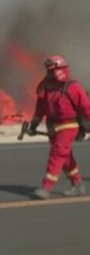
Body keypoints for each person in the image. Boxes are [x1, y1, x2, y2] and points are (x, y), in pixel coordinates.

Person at [28, 55, 90, 199]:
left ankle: (46, 187)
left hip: (68, 124)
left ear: (59, 70)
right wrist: (33, 125)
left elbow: (86, 107)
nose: (48, 74)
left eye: (51, 71)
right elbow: (40, 109)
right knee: (65, 156)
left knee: (57, 153)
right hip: (52, 126)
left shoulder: (73, 87)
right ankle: (77, 185)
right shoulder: (46, 88)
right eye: (47, 71)